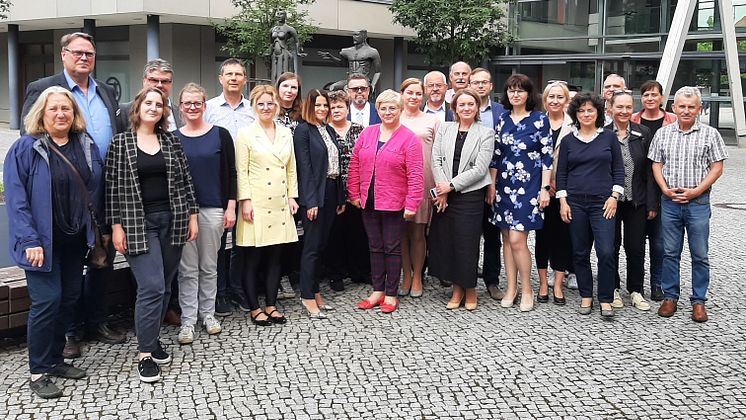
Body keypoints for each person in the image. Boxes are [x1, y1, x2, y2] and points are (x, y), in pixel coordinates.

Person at [19, 31, 125, 359]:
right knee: (65, 271)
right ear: (64, 54)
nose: (83, 58)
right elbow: (31, 140)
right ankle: (70, 331)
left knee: (101, 259)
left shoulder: (105, 91)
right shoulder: (43, 88)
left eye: (89, 54)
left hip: (101, 192)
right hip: (60, 199)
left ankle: (96, 320)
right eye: (77, 52)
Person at [5, 87, 104, 398]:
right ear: (41, 114)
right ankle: (38, 370)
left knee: (68, 298)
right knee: (47, 301)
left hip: (74, 242)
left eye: (66, 108)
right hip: (41, 245)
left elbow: (94, 189)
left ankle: (56, 359)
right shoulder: (26, 148)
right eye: (54, 109)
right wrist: (30, 239)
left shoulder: (85, 144)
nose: (61, 114)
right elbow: (17, 201)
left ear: (74, 113)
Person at [105, 86, 199, 383]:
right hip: (137, 223)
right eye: (149, 102)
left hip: (173, 219)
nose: (154, 107)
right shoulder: (120, 143)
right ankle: (145, 353)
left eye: (159, 104)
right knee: (152, 286)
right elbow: (112, 189)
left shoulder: (171, 141)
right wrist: (116, 226)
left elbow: (185, 181)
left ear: (164, 111)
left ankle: (153, 337)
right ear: (138, 106)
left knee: (166, 284)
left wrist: (192, 216)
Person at [648, 86, 728, 323]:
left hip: (698, 203)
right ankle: (670, 296)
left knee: (700, 254)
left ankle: (699, 301)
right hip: (670, 202)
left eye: (691, 106)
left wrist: (696, 191)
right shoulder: (663, 134)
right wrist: (664, 188)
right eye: (681, 106)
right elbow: (656, 164)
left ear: (699, 109)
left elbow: (717, 167)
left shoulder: (710, 134)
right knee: (670, 253)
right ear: (673, 108)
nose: (686, 110)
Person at [348, 90, 424, 314]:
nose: (388, 112)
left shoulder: (409, 138)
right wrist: (353, 192)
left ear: (400, 110)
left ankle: (391, 293)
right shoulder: (368, 133)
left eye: (393, 108)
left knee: (392, 248)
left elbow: (416, 174)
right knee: (374, 247)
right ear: (377, 110)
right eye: (383, 108)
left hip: (394, 202)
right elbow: (354, 164)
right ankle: (377, 290)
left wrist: (412, 204)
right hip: (368, 200)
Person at [174, 83, 237, 344]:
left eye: (197, 103)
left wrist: (231, 205)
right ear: (180, 107)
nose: (192, 107)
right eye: (187, 103)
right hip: (184, 213)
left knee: (210, 266)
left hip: (213, 209)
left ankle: (208, 314)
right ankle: (188, 319)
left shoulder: (220, 135)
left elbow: (231, 173)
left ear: (204, 105)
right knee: (187, 269)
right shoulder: (172, 138)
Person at [234, 85, 300, 326]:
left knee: (275, 257)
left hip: (281, 202)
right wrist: (246, 201)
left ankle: (271, 304)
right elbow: (241, 170)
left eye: (270, 103)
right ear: (254, 106)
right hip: (256, 202)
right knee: (253, 257)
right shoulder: (246, 134)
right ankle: (254, 307)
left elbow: (291, 167)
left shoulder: (284, 133)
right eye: (261, 104)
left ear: (277, 106)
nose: (266, 108)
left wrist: (293, 196)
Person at [556, 93, 624, 319]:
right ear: (575, 114)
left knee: (605, 251)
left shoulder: (609, 138)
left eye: (590, 110)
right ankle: (586, 295)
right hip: (575, 202)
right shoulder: (568, 141)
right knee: (580, 252)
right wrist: (563, 201)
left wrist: (614, 196)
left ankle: (605, 298)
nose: (586, 114)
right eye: (581, 111)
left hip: (603, 203)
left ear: (598, 113)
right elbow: (562, 173)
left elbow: (619, 170)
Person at [490, 74, 552, 312]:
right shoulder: (503, 119)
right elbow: (496, 156)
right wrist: (492, 185)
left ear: (529, 94)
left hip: (529, 185)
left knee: (518, 239)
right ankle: (511, 287)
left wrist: (545, 189)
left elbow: (548, 156)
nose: (515, 94)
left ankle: (527, 289)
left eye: (520, 90)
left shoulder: (539, 119)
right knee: (506, 239)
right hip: (504, 184)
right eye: (511, 90)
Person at [429, 88, 495, 310]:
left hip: (469, 195)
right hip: (445, 194)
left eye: (470, 104)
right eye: (461, 105)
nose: (466, 108)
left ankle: (470, 289)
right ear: (454, 108)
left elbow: (480, 169)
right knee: (448, 242)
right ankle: (456, 290)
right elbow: (435, 159)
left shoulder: (485, 133)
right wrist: (443, 189)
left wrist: (452, 186)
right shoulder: (444, 128)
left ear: (477, 108)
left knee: (467, 244)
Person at [204, 58, 256, 315]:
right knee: (218, 241)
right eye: (229, 74)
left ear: (245, 79)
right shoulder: (209, 108)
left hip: (249, 181)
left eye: (239, 74)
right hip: (219, 180)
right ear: (221, 78)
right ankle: (219, 293)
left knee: (243, 242)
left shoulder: (253, 110)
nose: (234, 78)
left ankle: (238, 289)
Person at [294, 90, 346, 318]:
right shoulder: (303, 130)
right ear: (309, 106)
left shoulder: (329, 129)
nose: (323, 109)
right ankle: (307, 296)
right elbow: (304, 168)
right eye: (318, 105)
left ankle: (315, 291)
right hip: (314, 195)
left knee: (321, 246)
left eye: (325, 105)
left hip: (332, 191)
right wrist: (310, 201)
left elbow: (338, 165)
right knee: (312, 247)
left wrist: (341, 196)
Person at [605, 90, 654, 311]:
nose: (624, 111)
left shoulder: (643, 133)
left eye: (628, 107)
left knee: (635, 248)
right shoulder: (603, 134)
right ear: (610, 109)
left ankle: (635, 290)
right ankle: (612, 288)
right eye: (619, 107)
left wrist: (652, 203)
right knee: (610, 246)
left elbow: (650, 172)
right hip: (610, 202)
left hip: (637, 200)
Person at [631, 79, 677, 302]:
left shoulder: (673, 121)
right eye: (646, 94)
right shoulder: (632, 121)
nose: (650, 98)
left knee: (659, 242)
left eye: (654, 94)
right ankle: (635, 285)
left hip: (663, 187)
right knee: (635, 241)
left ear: (661, 97)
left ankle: (657, 283)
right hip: (638, 187)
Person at [398, 78, 440, 297]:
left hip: (423, 181)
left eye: (417, 93)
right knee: (401, 233)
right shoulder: (394, 118)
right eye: (409, 93)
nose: (413, 97)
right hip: (397, 182)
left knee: (418, 232)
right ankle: (405, 275)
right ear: (402, 94)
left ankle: (417, 277)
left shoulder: (432, 120)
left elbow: (439, 153)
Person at [323, 90, 369, 290]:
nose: (336, 110)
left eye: (340, 106)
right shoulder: (323, 131)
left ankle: (360, 271)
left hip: (357, 189)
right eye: (332, 107)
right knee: (335, 233)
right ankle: (336, 274)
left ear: (348, 108)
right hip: (333, 189)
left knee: (359, 232)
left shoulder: (361, 130)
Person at [535, 80, 574, 305]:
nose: (555, 101)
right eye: (551, 97)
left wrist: (561, 185)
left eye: (560, 97)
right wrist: (544, 184)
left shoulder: (574, 124)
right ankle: (542, 284)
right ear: (545, 100)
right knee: (542, 237)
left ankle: (558, 285)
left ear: (566, 100)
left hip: (565, 191)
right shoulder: (537, 122)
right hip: (540, 189)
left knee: (562, 238)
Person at [469, 67, 506, 300]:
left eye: (485, 82)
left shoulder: (502, 112)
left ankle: (492, 280)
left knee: (493, 234)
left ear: (491, 86)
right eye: (476, 82)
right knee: (469, 233)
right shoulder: (462, 107)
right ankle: (467, 278)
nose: (480, 86)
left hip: (495, 180)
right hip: (467, 182)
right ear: (469, 85)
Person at [120, 59, 182, 131]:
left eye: (164, 81)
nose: (159, 85)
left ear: (171, 84)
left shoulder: (181, 114)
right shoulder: (124, 111)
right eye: (154, 80)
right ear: (144, 81)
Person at [270, 10, 304, 83]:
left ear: (285, 16)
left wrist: (297, 52)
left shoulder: (289, 29)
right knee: (274, 75)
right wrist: (269, 51)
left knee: (282, 74)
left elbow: (297, 41)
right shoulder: (273, 29)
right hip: (275, 54)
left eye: (281, 14)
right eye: (278, 14)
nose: (279, 16)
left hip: (283, 52)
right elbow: (270, 42)